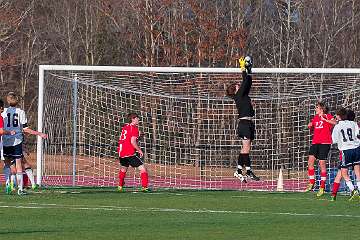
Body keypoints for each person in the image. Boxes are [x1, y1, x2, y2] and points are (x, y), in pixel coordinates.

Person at [2, 92, 47, 195]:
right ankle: (20, 189)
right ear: (17, 101)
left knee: (7, 164)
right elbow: (26, 129)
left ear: (8, 101)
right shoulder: (20, 112)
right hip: (16, 141)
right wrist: (39, 133)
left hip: (5, 141)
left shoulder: (3, 112)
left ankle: (8, 184)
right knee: (18, 164)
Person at [226, 56, 260, 183]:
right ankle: (249, 171)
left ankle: (239, 170)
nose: (239, 85)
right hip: (244, 124)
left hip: (248, 123)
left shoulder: (243, 95)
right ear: (235, 90)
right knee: (246, 149)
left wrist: (248, 70)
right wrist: (243, 68)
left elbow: (248, 82)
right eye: (237, 85)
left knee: (246, 149)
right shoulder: (238, 94)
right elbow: (246, 81)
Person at [305, 101, 336, 196]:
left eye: (317, 107)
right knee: (310, 162)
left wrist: (325, 120)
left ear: (322, 109)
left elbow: (335, 122)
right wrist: (310, 126)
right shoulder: (315, 118)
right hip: (315, 143)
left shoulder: (328, 116)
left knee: (322, 163)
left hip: (325, 143)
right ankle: (311, 182)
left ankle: (322, 187)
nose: (315, 109)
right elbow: (312, 129)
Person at [330, 108, 360, 201]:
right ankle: (358, 189)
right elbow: (357, 135)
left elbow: (334, 140)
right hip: (356, 148)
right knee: (357, 171)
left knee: (343, 172)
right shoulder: (353, 123)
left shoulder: (338, 126)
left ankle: (353, 190)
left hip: (346, 150)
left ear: (339, 116)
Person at [117, 113, 149, 192]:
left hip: (121, 152)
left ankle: (120, 186)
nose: (138, 119)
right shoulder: (134, 128)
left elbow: (128, 139)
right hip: (129, 153)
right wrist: (139, 150)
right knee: (143, 169)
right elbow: (133, 142)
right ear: (133, 119)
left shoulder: (125, 127)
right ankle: (145, 187)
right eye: (137, 118)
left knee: (124, 169)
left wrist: (139, 137)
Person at [0, 99, 16, 194]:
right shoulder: (0, 117)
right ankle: (7, 184)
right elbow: (1, 131)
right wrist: (10, 132)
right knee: (7, 162)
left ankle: (9, 184)